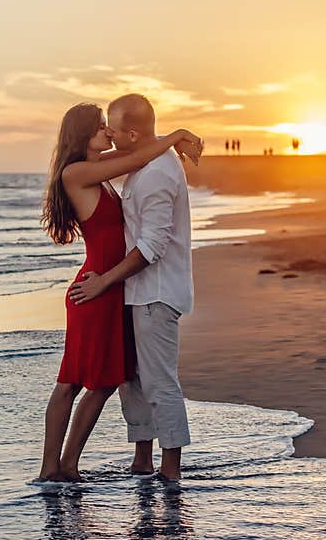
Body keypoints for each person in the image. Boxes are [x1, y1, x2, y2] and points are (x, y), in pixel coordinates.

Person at [37, 102, 202, 482]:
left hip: (112, 286)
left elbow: (135, 149)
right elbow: (136, 152)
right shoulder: (79, 172)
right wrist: (176, 136)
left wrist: (167, 139)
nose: (108, 134)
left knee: (104, 380)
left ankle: (66, 467)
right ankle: (54, 468)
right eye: (100, 128)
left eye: (109, 127)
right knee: (75, 380)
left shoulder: (98, 169)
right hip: (97, 287)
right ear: (83, 135)